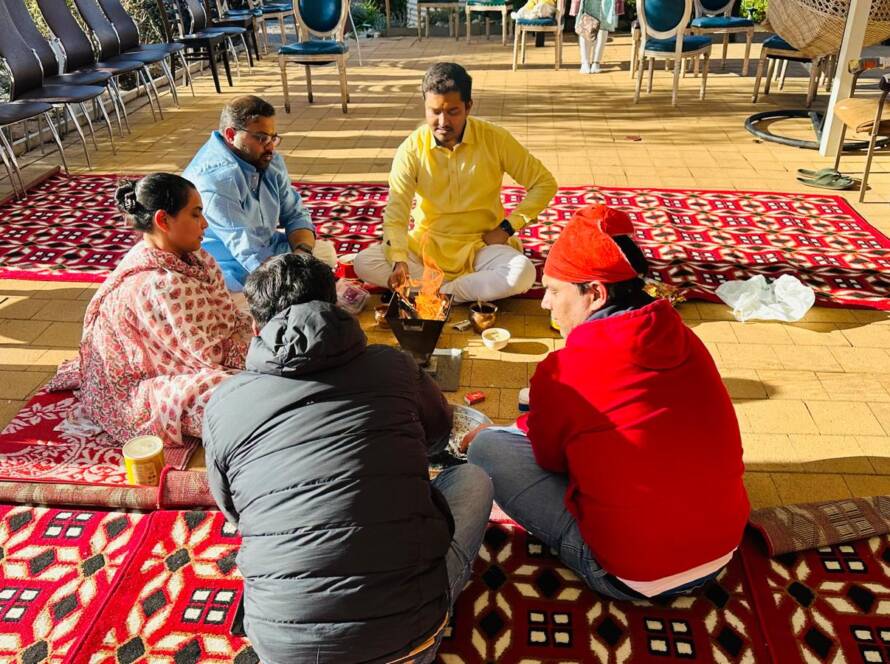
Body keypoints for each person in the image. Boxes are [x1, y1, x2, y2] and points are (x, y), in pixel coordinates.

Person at [203, 253, 494, 663]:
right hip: (407, 643)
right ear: (336, 306)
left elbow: (233, 509)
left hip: (284, 652)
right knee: (472, 481)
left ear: (255, 327)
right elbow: (438, 438)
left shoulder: (223, 403)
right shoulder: (395, 365)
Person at [465, 204, 750, 600]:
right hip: (722, 550)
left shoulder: (565, 369)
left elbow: (549, 461)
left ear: (595, 294)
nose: (544, 304)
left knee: (488, 446)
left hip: (631, 575)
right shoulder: (685, 338)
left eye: (552, 290)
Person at [47, 173, 253, 447]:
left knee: (265, 374)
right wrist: (262, 357)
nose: (205, 223)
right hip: (139, 390)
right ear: (163, 220)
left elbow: (229, 320)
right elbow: (206, 356)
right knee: (238, 400)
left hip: (196, 361)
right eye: (195, 214)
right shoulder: (156, 284)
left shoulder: (197, 257)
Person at [354, 62, 558, 303]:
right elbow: (396, 212)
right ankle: (459, 290)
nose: (443, 122)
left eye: (452, 112)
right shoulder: (411, 149)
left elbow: (544, 183)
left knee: (522, 273)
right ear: (425, 107)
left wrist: (507, 228)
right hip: (426, 247)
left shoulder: (495, 139)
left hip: (481, 245)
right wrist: (399, 261)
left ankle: (437, 292)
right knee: (363, 262)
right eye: (434, 111)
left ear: (468, 107)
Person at [182, 95, 337, 295]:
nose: (271, 146)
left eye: (273, 138)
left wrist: (302, 254)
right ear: (231, 134)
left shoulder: (268, 159)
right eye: (262, 138)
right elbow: (248, 251)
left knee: (324, 255)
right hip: (229, 271)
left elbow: (295, 214)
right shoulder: (216, 180)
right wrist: (295, 280)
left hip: (268, 251)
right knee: (286, 299)